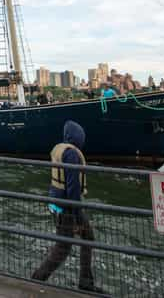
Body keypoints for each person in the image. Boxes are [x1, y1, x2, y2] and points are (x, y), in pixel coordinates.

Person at [32, 120, 103, 293]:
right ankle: (37, 279)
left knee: (86, 237)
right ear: (78, 137)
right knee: (63, 247)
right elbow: (72, 188)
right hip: (68, 207)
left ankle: (85, 281)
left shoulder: (60, 149)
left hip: (58, 204)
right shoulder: (72, 154)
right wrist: (78, 217)